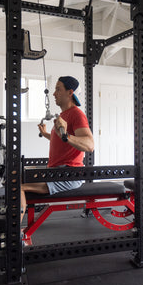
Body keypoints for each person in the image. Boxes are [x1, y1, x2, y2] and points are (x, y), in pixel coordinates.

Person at [20, 76, 94, 222]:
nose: (54, 94)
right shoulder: (63, 115)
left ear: (70, 92)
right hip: (55, 171)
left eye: (58, 89)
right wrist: (47, 134)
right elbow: (62, 140)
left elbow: (89, 145)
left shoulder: (76, 114)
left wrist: (65, 135)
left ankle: (15, 234)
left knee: (18, 186)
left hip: (68, 174)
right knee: (17, 174)